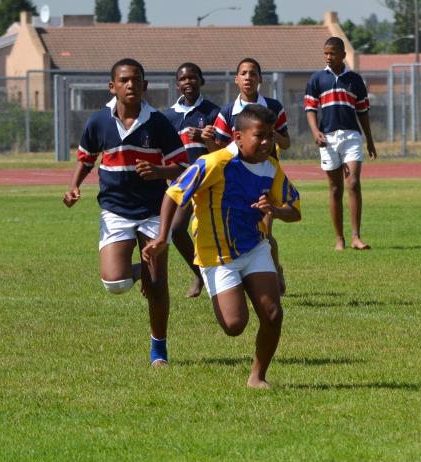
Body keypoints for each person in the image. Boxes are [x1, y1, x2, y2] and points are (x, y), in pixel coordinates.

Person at [142, 104, 301, 388]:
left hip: (254, 247)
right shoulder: (213, 163)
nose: (267, 142)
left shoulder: (271, 167)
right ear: (238, 136)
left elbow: (295, 209)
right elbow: (173, 193)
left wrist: (275, 211)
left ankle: (257, 377)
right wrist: (161, 237)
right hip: (216, 254)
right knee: (234, 325)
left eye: (270, 136)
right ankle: (232, 287)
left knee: (273, 313)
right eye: (260, 136)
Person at [63, 58, 188, 366]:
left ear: (144, 86)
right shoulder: (98, 122)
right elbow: (86, 157)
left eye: (136, 80)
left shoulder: (158, 123)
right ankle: (138, 271)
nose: (131, 85)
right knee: (115, 283)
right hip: (115, 210)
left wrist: (159, 171)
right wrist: (74, 186)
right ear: (112, 86)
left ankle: (159, 348)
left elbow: (183, 166)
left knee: (157, 285)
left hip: (153, 210)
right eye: (124, 80)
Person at [203, 57, 290, 292]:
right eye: (243, 73)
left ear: (260, 78)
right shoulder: (228, 111)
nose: (248, 77)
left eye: (253, 73)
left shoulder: (273, 107)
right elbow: (220, 151)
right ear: (236, 79)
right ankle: (238, 275)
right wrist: (208, 141)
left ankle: (274, 269)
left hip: (264, 179)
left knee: (264, 230)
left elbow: (287, 142)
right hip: (235, 182)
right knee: (242, 230)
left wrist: (272, 134)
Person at [304, 36, 378, 251]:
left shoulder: (355, 80)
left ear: (343, 55)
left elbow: (363, 112)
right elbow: (310, 109)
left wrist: (370, 140)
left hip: (351, 137)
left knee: (353, 183)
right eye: (326, 53)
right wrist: (315, 131)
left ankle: (356, 237)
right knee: (336, 189)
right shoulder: (317, 79)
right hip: (327, 139)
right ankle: (339, 238)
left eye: (333, 53)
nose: (328, 57)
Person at [161, 62, 221, 297]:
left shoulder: (213, 112)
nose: (188, 82)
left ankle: (224, 279)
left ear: (201, 81)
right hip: (181, 184)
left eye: (193, 77)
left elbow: (220, 152)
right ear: (177, 85)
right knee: (176, 230)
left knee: (208, 232)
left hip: (208, 181)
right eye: (183, 79)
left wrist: (206, 138)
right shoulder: (168, 117)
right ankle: (199, 274)